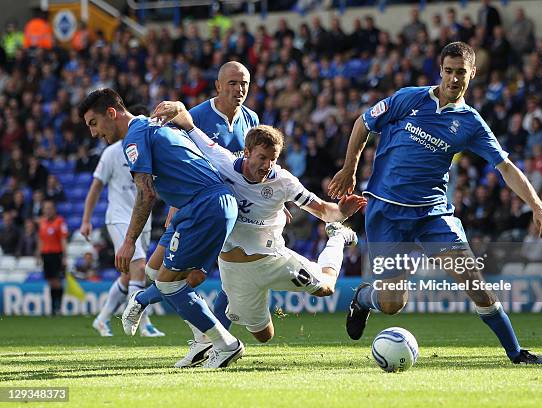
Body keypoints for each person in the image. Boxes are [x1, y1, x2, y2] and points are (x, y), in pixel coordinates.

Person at [328, 42, 542, 365]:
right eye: (448, 71)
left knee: (476, 285)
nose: (453, 79)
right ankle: (363, 299)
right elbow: (363, 124)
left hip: (433, 215)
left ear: (472, 73)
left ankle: (516, 352)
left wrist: (538, 206)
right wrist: (350, 168)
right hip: (387, 213)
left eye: (461, 72)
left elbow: (505, 167)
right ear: (440, 70)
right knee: (393, 302)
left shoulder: (471, 123)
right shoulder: (408, 98)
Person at [131, 102, 366, 367]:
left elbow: (323, 210)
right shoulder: (224, 162)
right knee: (264, 335)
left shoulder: (284, 181)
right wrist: (176, 107)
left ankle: (337, 237)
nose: (267, 165)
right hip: (234, 271)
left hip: (273, 258)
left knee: (326, 288)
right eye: (262, 158)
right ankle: (222, 322)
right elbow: (190, 126)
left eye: (273, 159)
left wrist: (341, 213)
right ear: (247, 152)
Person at [79, 88, 243, 369]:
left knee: (168, 282)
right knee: (156, 271)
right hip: (197, 206)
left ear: (111, 113)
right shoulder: (152, 125)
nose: (93, 133)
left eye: (94, 124)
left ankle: (225, 343)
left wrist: (129, 241)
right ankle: (201, 339)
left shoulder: (134, 136)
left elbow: (145, 193)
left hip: (204, 207)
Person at [143, 61, 259, 340]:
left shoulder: (251, 119)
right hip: (195, 205)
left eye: (244, 83)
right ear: (218, 86)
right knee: (154, 270)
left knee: (221, 278)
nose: (239, 89)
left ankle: (209, 338)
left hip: (236, 209)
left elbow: (257, 164)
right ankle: (199, 327)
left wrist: (272, 200)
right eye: (232, 83)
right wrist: (175, 206)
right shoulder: (197, 116)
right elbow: (179, 162)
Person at [81, 104, 164, 337]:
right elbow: (95, 187)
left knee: (129, 275)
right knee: (139, 267)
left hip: (140, 218)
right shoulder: (111, 152)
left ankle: (101, 319)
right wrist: (86, 219)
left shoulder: (146, 146)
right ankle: (143, 324)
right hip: (118, 217)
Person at [38, 200, 68, 315]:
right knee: (50, 281)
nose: (48, 210)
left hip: (57, 254)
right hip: (46, 254)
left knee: (57, 281)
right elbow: (40, 239)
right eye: (46, 208)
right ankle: (52, 308)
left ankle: (58, 307)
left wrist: (65, 256)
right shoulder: (42, 222)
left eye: (50, 208)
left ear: (54, 209)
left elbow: (63, 239)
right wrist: (39, 254)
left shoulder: (60, 221)